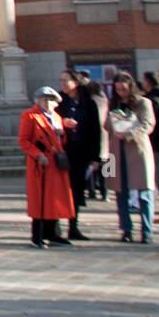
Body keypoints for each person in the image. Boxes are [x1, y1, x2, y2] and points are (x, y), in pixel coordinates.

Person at [18, 86, 76, 248]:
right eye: (45, 99)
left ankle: (53, 233)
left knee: (55, 199)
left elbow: (59, 142)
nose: (48, 103)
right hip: (40, 164)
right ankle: (38, 235)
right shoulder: (30, 116)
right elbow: (24, 140)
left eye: (51, 100)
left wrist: (62, 133)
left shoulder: (56, 117)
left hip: (56, 163)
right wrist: (38, 154)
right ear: (38, 100)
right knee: (40, 198)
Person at [106, 72, 155, 243]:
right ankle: (126, 229)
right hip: (116, 153)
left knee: (144, 193)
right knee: (120, 193)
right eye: (117, 89)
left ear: (130, 86)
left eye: (123, 88)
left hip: (138, 151)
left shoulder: (143, 102)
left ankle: (147, 231)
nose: (120, 91)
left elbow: (148, 124)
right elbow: (107, 126)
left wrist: (129, 134)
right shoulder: (114, 103)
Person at [59, 69, 108, 239]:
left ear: (76, 82)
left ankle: (73, 226)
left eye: (66, 80)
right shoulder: (59, 101)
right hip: (63, 151)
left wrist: (95, 157)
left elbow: (95, 131)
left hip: (81, 151)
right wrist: (62, 123)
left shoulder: (88, 103)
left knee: (77, 190)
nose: (63, 84)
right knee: (61, 189)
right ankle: (55, 225)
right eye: (61, 81)